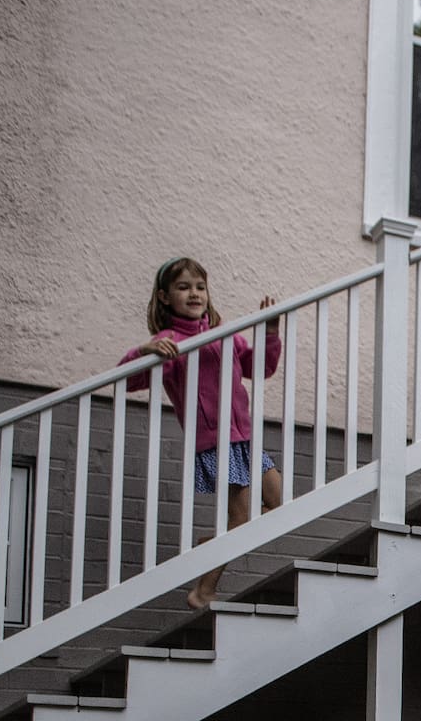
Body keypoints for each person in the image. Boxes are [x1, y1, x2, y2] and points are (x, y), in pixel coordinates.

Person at [119, 257, 285, 608]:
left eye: (199, 287)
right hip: (216, 443)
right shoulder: (169, 343)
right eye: (183, 287)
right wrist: (145, 351)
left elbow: (261, 368)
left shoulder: (224, 336)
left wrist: (271, 332)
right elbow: (128, 379)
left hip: (245, 439)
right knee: (240, 516)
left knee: (279, 503)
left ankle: (213, 544)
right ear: (165, 297)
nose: (193, 293)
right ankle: (203, 589)